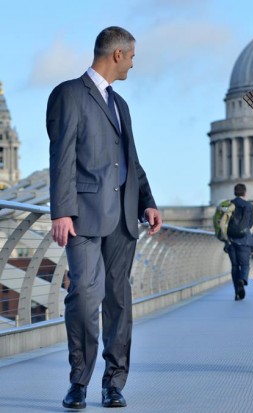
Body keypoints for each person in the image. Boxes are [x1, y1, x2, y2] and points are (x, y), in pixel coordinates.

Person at [47, 26, 162, 409]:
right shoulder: (69, 94)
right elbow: (61, 155)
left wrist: (148, 201)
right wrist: (61, 211)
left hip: (125, 219)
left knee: (119, 302)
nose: (133, 63)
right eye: (131, 56)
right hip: (82, 217)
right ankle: (78, 381)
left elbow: (133, 162)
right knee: (84, 296)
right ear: (117, 54)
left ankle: (114, 383)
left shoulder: (121, 105)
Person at [226, 183, 253, 301]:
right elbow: (251, 223)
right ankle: (242, 280)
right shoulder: (248, 205)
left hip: (231, 240)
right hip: (244, 240)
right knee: (245, 265)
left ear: (234, 192)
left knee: (234, 266)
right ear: (245, 193)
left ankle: (236, 293)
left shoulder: (229, 205)